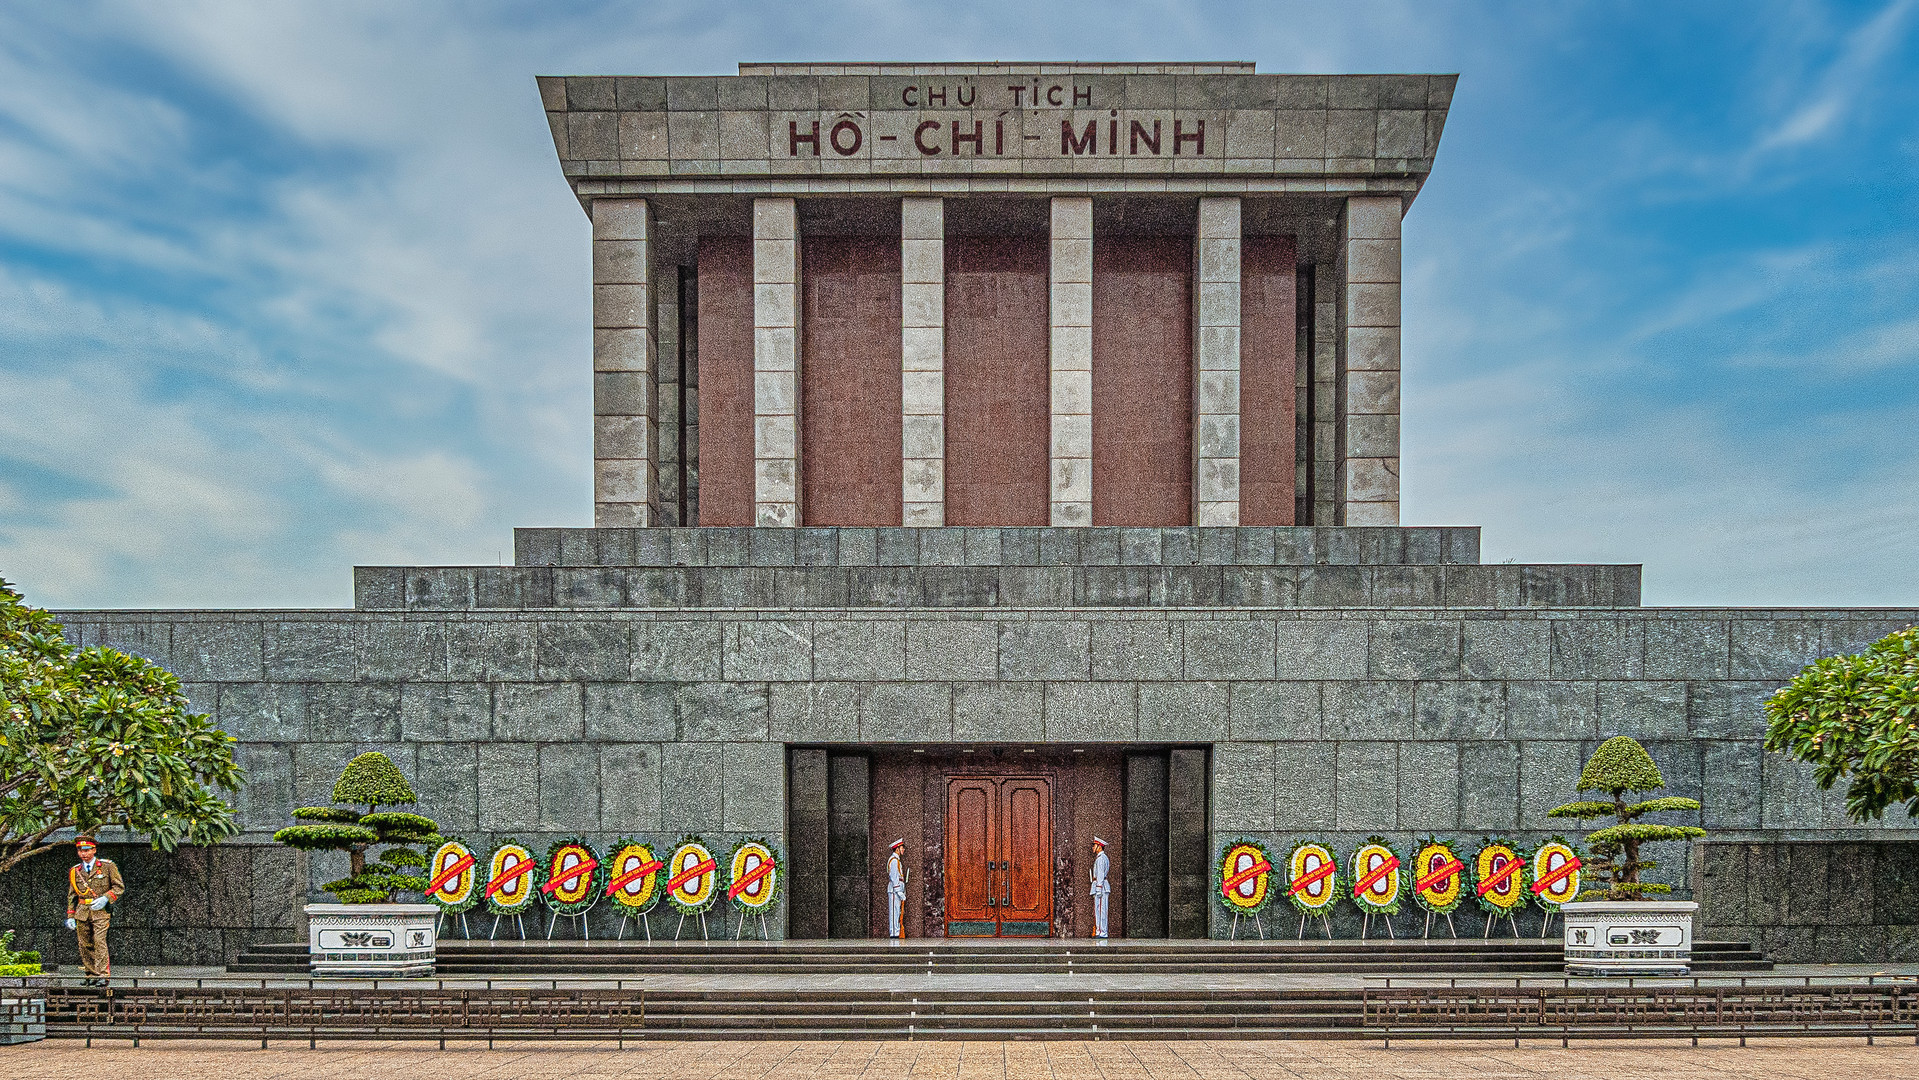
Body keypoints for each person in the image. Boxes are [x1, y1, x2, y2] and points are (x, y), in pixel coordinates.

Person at [65, 835, 123, 985]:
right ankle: (91, 974)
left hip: (100, 911)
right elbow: (72, 895)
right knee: (84, 944)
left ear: (94, 850)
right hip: (82, 910)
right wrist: (71, 915)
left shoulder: (107, 866)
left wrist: (106, 898)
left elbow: (118, 887)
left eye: (87, 850)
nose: (83, 854)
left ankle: (103, 975)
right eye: (80, 850)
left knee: (99, 941)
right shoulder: (75, 871)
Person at [1089, 836, 1111, 939]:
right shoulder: (1100, 858)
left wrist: (1098, 888)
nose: (1093, 847)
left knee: (1101, 910)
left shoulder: (1101, 859)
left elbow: (1101, 874)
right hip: (1099, 886)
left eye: (1094, 845)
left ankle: (1102, 932)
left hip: (1101, 887)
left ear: (1099, 846)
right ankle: (1099, 931)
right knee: (1098, 910)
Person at [886, 838, 907, 939]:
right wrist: (899, 891)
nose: (903, 850)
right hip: (894, 891)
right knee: (894, 912)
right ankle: (894, 932)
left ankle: (896, 931)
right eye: (902, 848)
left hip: (897, 890)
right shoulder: (894, 861)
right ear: (897, 849)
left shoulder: (897, 860)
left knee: (897, 912)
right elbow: (894, 877)